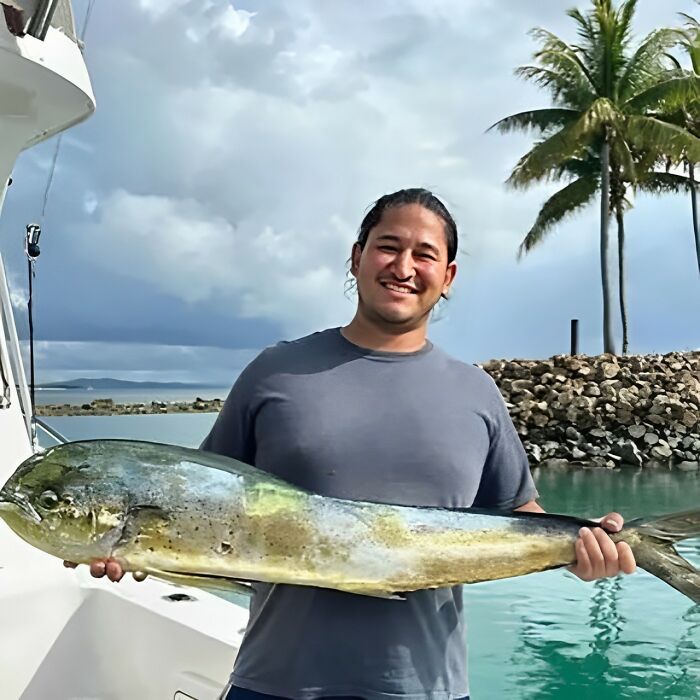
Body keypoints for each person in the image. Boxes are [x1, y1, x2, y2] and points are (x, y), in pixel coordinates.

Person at [69, 188, 636, 700]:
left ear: (449, 275)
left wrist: (582, 549)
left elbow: (518, 516)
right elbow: (200, 502)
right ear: (357, 256)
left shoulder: (476, 392)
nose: (404, 267)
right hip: (275, 683)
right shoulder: (275, 372)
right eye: (388, 246)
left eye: (424, 254)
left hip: (427, 688)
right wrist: (138, 548)